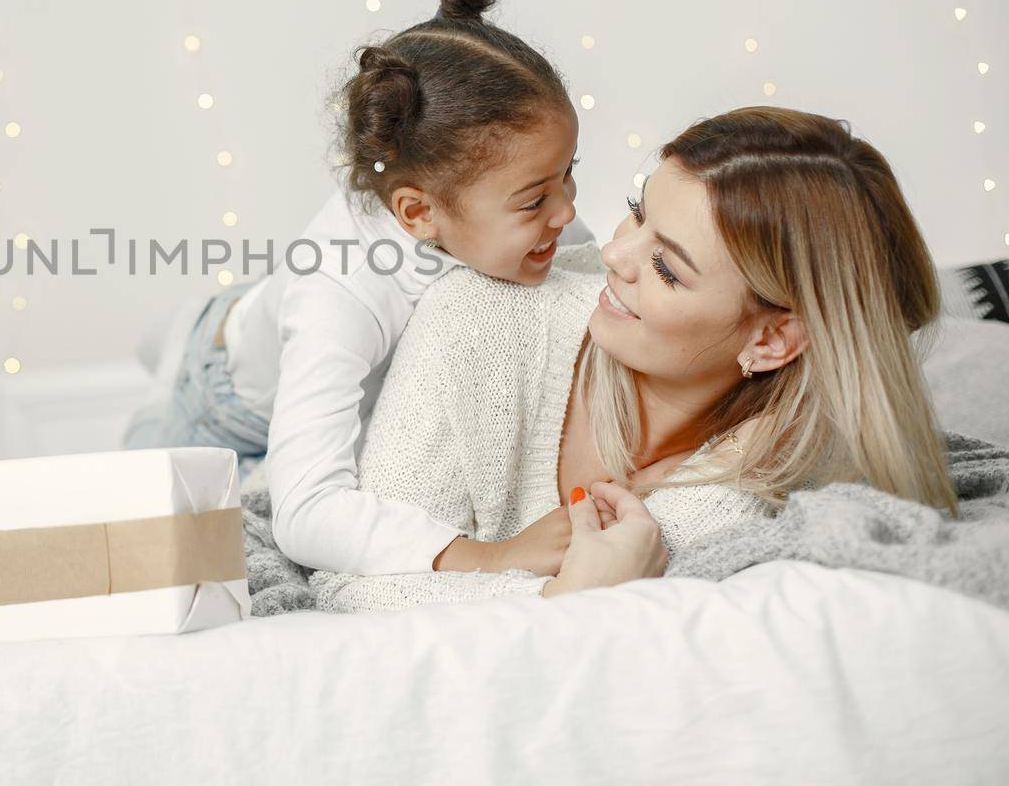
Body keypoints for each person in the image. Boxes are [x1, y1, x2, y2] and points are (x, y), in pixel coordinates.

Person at [307, 105, 959, 608]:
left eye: (668, 268)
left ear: (771, 340)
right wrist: (551, 594)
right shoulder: (479, 311)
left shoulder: (774, 484)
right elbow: (346, 587)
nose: (615, 256)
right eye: (634, 212)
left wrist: (565, 597)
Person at [124, 0, 592, 575]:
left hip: (284, 309)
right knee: (141, 507)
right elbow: (307, 512)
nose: (567, 211)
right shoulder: (339, 298)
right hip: (219, 395)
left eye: (569, 173)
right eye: (535, 200)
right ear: (418, 212)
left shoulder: (527, 216)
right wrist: (488, 556)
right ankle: (175, 345)